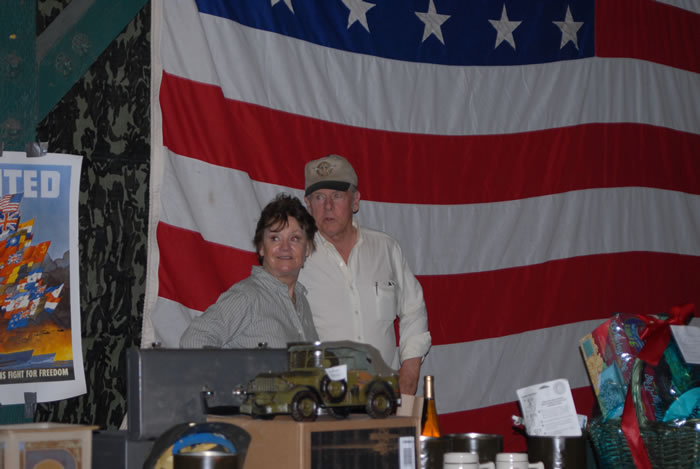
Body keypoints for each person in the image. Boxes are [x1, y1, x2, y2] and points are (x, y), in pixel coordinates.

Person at [298, 154, 431, 395]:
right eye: (319, 197)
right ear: (308, 204)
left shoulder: (385, 249)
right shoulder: (295, 258)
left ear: (355, 201)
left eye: (337, 196)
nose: (328, 206)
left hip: (383, 396)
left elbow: (413, 309)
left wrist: (409, 374)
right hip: (323, 400)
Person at [180, 194, 319, 348]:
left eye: (294, 238)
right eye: (275, 238)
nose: (285, 247)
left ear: (307, 248)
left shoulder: (302, 302)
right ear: (261, 248)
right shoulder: (246, 297)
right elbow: (193, 340)